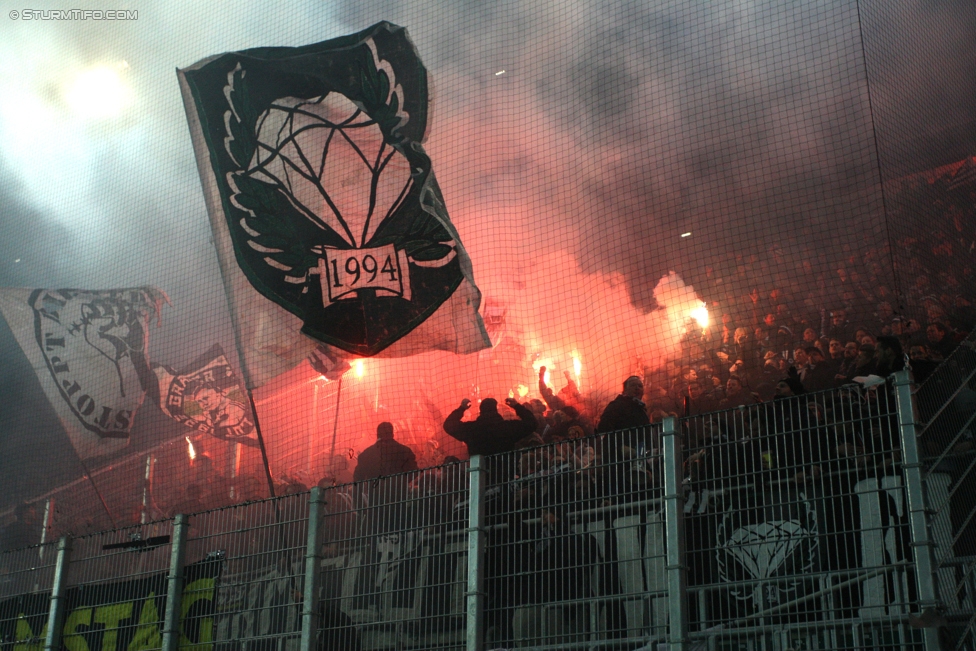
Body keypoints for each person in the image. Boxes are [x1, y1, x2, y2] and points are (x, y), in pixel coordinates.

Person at [443, 397, 537, 457]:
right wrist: (517, 406)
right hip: (505, 474)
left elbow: (448, 425)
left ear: (481, 411)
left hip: (480, 478)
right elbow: (532, 423)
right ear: (496, 410)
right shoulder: (506, 428)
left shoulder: (472, 430)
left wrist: (462, 408)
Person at [353, 422, 418, 482]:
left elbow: (358, 478)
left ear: (377, 435)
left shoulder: (366, 455)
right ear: (392, 434)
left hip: (375, 492)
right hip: (398, 492)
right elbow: (414, 471)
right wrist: (400, 482)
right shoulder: (405, 451)